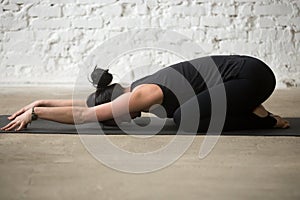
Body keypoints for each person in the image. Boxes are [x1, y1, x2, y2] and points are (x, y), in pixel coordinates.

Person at [1, 55, 290, 132]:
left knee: (185, 120)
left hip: (252, 77)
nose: (122, 120)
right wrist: (38, 101)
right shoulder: (132, 87)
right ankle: (250, 107)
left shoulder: (144, 93)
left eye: (115, 116)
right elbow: (87, 103)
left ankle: (264, 120)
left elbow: (85, 114)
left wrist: (36, 114)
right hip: (244, 75)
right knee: (186, 114)